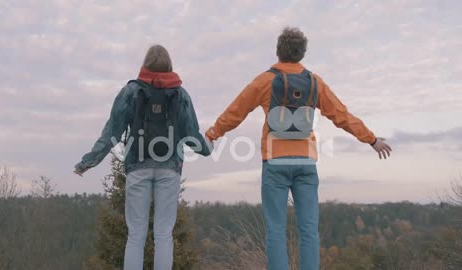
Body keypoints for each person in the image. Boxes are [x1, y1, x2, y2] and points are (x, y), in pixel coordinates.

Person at [205, 27, 392, 270]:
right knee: (309, 231)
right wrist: (371, 139)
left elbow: (236, 111)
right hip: (305, 163)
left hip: (275, 163)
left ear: (278, 51)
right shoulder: (314, 82)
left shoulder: (265, 81)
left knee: (275, 231)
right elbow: (341, 115)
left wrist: (212, 135)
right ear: (302, 53)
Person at [74, 45, 211, 270]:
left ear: (145, 65)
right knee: (163, 235)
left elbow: (111, 134)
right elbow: (192, 135)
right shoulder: (180, 93)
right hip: (170, 168)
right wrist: (208, 148)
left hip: (137, 165)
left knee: (136, 235)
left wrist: (86, 162)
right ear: (169, 66)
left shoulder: (131, 91)